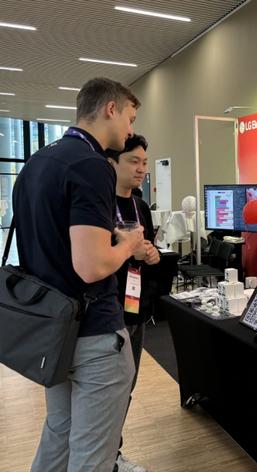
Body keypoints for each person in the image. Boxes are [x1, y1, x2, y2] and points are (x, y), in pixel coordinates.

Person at [12, 77, 145, 471]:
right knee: (92, 455)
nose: (130, 131)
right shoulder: (91, 165)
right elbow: (92, 266)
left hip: (52, 330)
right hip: (93, 335)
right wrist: (128, 244)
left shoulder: (37, 163)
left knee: (59, 434)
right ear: (110, 109)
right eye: (130, 118)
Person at [106, 134, 160, 472]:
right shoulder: (98, 205)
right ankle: (105, 456)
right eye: (133, 161)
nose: (141, 169)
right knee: (110, 391)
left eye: (144, 162)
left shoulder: (140, 206)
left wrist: (151, 255)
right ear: (112, 163)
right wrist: (130, 252)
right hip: (107, 311)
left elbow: (149, 250)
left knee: (127, 385)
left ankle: (113, 452)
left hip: (136, 306)